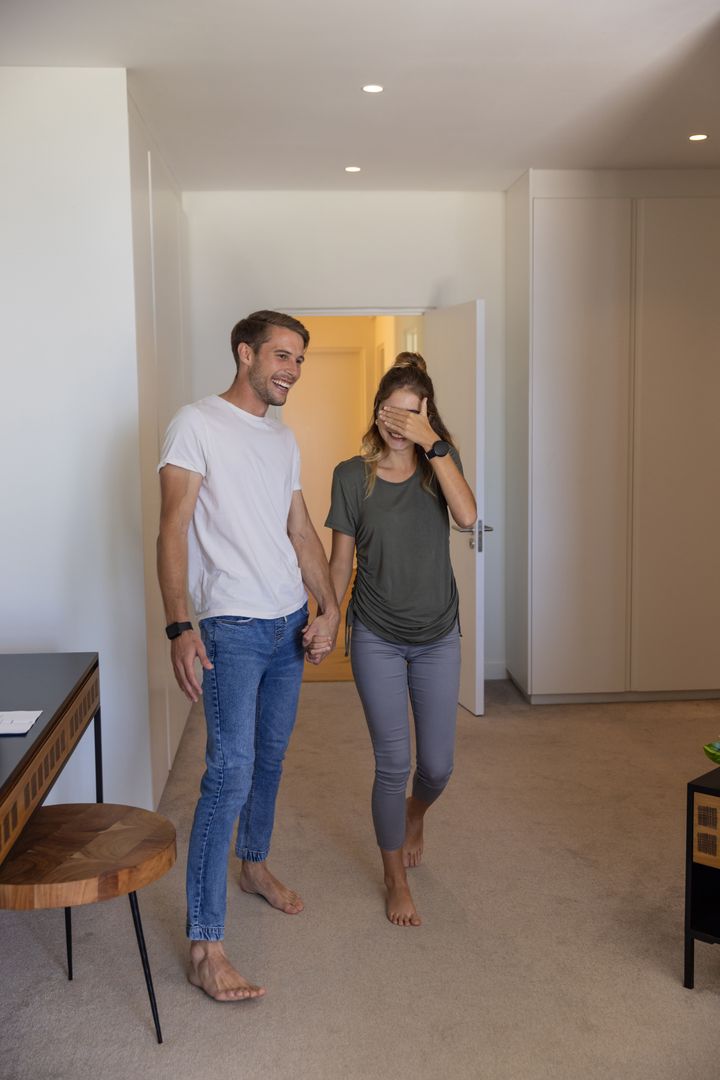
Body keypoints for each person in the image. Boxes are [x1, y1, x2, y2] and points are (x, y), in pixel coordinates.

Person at [157, 310, 339, 1001]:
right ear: (245, 354)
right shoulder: (195, 423)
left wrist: (328, 609)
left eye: (299, 360)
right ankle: (206, 946)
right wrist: (180, 626)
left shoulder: (282, 438)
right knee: (227, 777)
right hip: (230, 626)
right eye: (282, 356)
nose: (292, 370)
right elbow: (172, 529)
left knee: (270, 758)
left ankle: (253, 864)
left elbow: (301, 530)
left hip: (287, 622)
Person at [326, 353, 476, 927]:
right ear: (377, 411)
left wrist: (433, 444)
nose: (398, 423)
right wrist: (328, 616)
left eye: (410, 413)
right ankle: (394, 878)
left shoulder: (441, 463)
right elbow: (340, 564)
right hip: (377, 634)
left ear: (425, 416)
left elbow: (468, 517)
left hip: (437, 633)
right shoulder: (351, 476)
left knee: (437, 766)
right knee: (393, 763)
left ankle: (416, 812)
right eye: (390, 411)